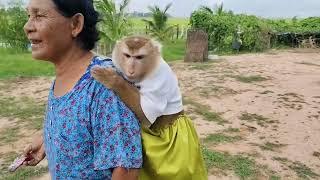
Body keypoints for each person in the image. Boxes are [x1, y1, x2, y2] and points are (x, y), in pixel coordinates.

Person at [21, 0, 142, 179]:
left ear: (76, 24)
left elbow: (126, 169)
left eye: (39, 16)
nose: (27, 26)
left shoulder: (103, 82)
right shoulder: (64, 76)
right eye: (29, 16)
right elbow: (78, 125)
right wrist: (47, 140)